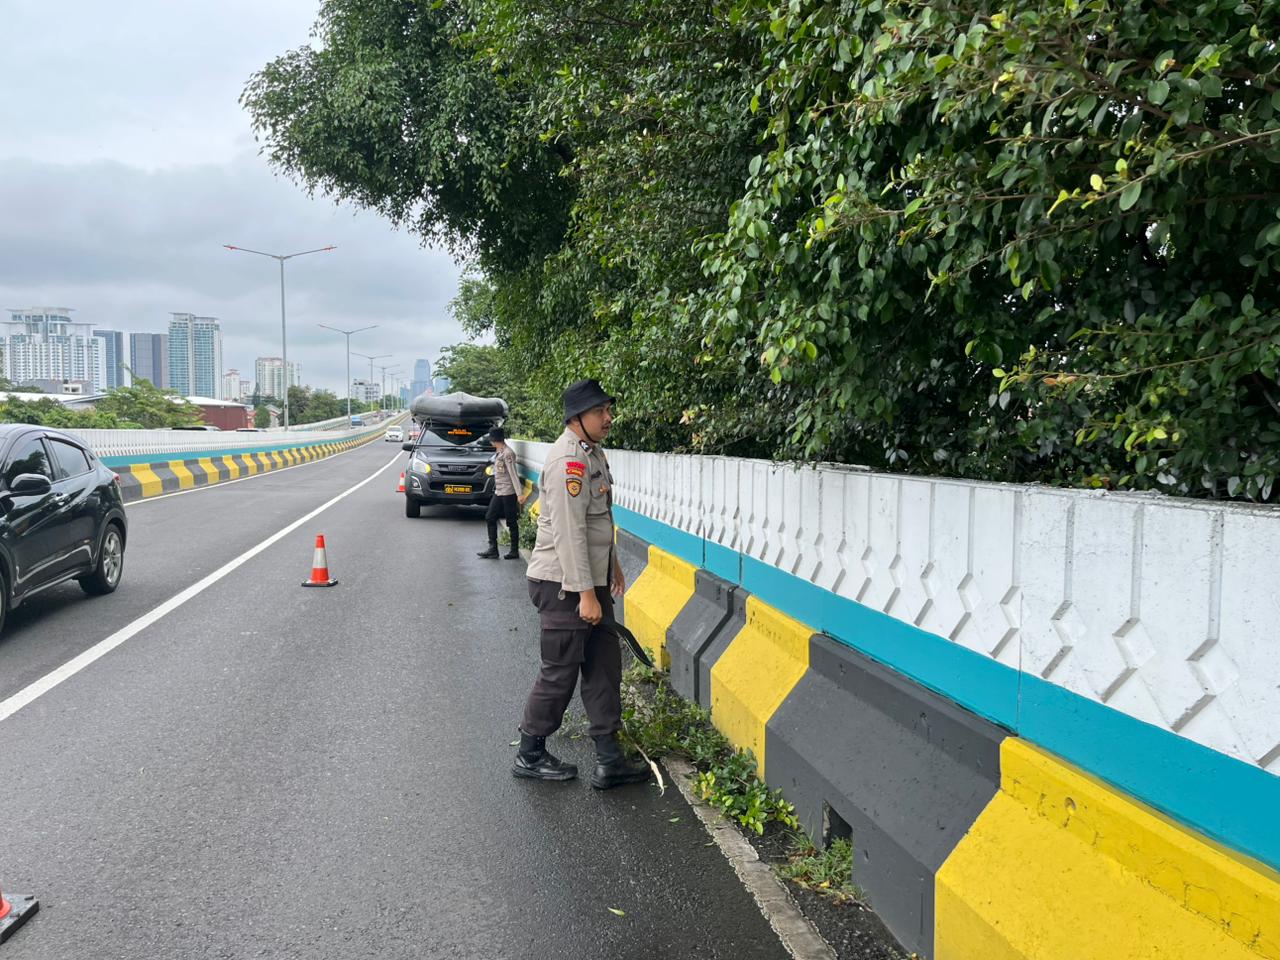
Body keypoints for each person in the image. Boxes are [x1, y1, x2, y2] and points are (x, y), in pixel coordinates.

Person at [513, 379, 651, 790]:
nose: (608, 418)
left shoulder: (594, 453)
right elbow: (570, 533)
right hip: (563, 586)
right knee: (560, 671)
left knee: (604, 669)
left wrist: (612, 569)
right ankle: (530, 753)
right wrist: (585, 595)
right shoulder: (567, 462)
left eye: (609, 409)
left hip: (590, 582)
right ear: (577, 418)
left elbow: (598, 520)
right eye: (600, 412)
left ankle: (610, 759)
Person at [477, 426, 527, 560]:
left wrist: (519, 494)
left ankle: (514, 551)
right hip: (499, 491)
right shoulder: (499, 452)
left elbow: (513, 474)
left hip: (509, 493)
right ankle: (493, 549)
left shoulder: (507, 453)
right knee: (490, 516)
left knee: (511, 521)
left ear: (494, 439)